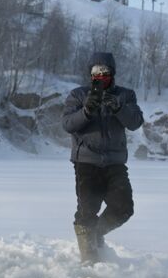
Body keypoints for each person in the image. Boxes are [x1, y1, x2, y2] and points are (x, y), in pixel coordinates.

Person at [61, 51, 144, 264]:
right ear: (90, 74)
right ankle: (89, 259)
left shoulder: (125, 95)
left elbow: (135, 122)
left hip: (115, 163)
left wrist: (118, 107)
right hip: (86, 162)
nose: (101, 76)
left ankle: (96, 234)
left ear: (112, 73)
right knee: (87, 210)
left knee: (123, 207)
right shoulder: (78, 95)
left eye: (105, 72)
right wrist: (87, 110)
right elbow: (68, 125)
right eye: (96, 72)